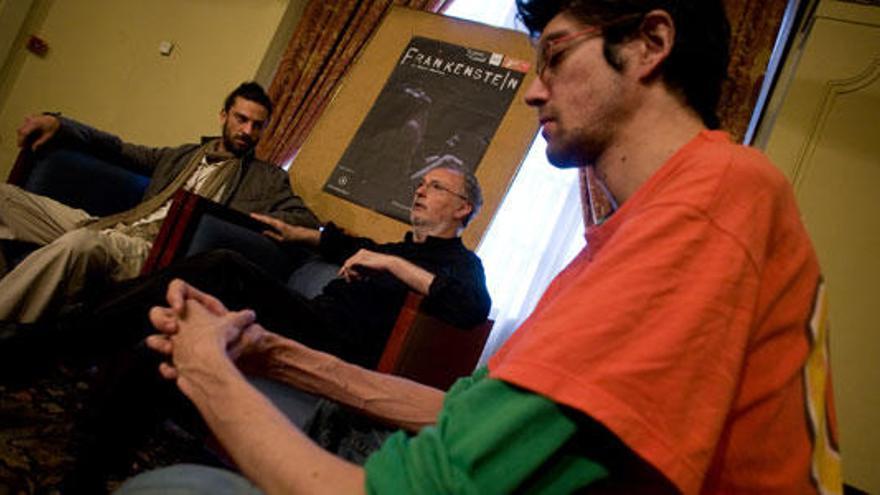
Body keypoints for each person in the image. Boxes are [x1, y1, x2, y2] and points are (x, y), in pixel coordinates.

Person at [116, 0, 842, 493]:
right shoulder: (632, 234)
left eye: (554, 55)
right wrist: (273, 354)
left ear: (650, 43)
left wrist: (206, 371)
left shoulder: (713, 199)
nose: (532, 90)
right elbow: (461, 409)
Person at [0, 81, 319, 323]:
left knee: (80, 244)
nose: (247, 131)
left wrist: (258, 225)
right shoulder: (182, 155)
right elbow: (119, 149)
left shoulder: (266, 178)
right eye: (241, 119)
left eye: (257, 125)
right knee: (7, 199)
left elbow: (302, 218)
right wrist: (61, 124)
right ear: (224, 116)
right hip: (118, 223)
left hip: (154, 253)